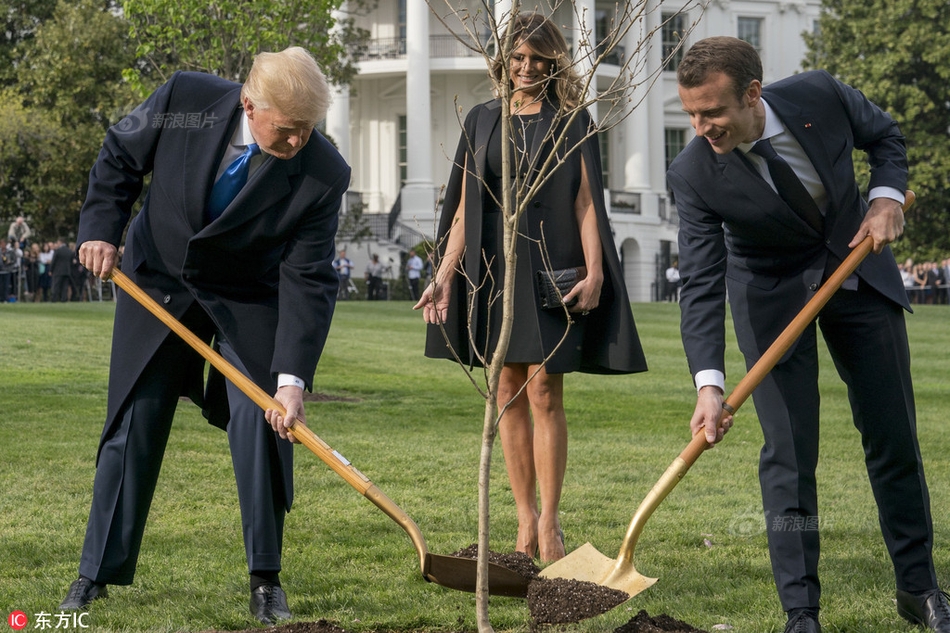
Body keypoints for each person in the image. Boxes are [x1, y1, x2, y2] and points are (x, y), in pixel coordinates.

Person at [58, 47, 350, 626]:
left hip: (247, 297)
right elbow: (120, 152)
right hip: (157, 279)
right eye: (288, 130)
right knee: (135, 417)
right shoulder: (182, 99)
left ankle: (266, 579)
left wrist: (291, 381)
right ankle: (95, 573)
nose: (298, 143)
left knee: (263, 417)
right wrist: (100, 229)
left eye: (308, 130)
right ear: (250, 105)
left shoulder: (323, 171)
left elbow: (307, 277)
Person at [667, 36, 948, 632]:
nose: (701, 127)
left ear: (752, 93)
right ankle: (802, 612)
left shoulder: (820, 93)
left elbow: (886, 138)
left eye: (712, 112)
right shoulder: (693, 171)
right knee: (789, 457)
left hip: (854, 264)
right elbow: (699, 278)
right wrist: (709, 384)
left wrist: (885, 197)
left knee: (892, 437)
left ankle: (920, 588)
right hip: (769, 296)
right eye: (690, 113)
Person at [414, 13, 647, 563]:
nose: (525, 68)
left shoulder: (573, 122)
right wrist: (445, 273)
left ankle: (551, 523)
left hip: (550, 265)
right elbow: (468, 208)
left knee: (544, 391)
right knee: (506, 391)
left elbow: (587, 202)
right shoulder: (480, 119)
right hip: (495, 268)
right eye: (516, 58)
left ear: (552, 61)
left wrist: (595, 273)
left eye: (536, 58)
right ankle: (523, 521)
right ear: (504, 60)